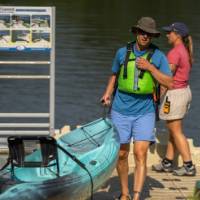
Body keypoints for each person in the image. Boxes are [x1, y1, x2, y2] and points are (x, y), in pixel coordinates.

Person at [101, 17, 172, 200]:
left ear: (153, 36)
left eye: (149, 34)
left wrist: (151, 68)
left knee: (140, 152)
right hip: (120, 110)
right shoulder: (121, 52)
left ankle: (136, 195)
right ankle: (124, 193)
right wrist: (107, 93)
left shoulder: (158, 56)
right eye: (142, 32)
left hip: (145, 110)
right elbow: (114, 75)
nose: (145, 36)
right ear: (136, 33)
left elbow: (169, 82)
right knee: (122, 153)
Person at [152, 22, 196, 176]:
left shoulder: (174, 53)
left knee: (176, 131)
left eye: (169, 32)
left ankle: (188, 166)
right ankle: (168, 162)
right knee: (173, 130)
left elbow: (166, 78)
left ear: (177, 35)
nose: (167, 35)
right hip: (183, 92)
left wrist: (151, 70)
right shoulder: (183, 50)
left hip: (175, 95)